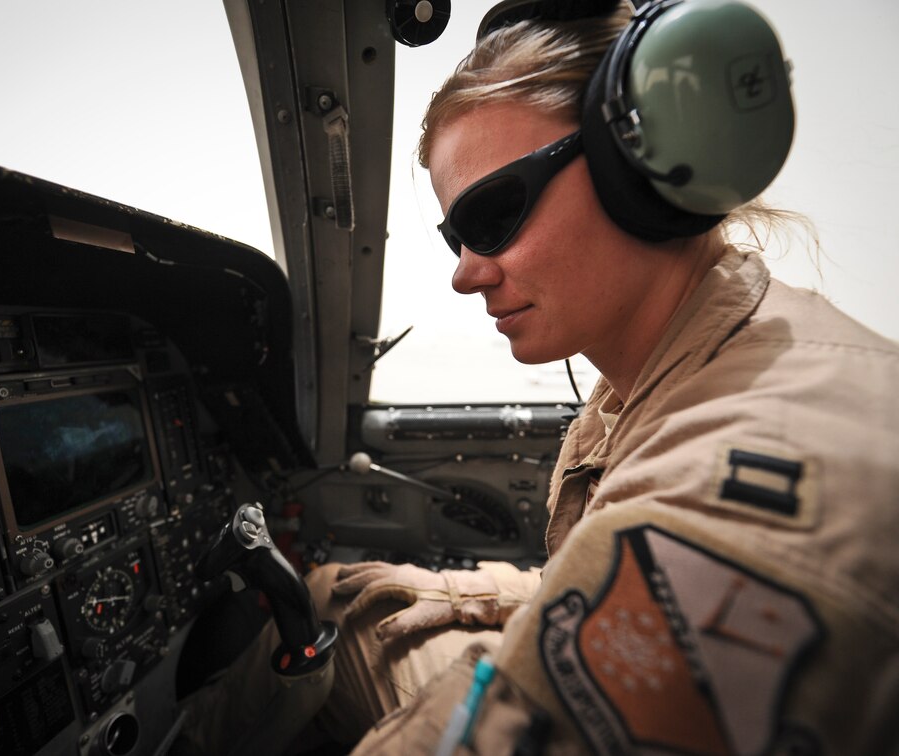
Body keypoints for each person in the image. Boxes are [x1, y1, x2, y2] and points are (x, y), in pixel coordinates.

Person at [178, 2, 899, 753]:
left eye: (492, 216)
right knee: (333, 594)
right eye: (455, 237)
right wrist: (469, 591)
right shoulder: (680, 372)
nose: (465, 274)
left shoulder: (731, 495)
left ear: (634, 169)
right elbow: (612, 580)